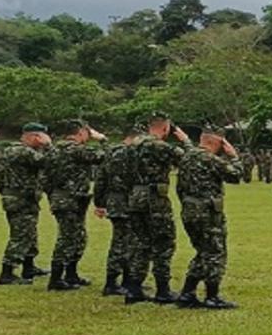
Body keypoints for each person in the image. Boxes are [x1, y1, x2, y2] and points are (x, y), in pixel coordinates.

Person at [175, 123, 244, 309]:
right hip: (207, 212)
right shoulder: (210, 159)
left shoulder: (187, 156)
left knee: (203, 252)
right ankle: (212, 296)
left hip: (189, 210)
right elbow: (236, 175)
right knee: (215, 253)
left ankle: (187, 293)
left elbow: (179, 188)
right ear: (216, 142)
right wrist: (234, 156)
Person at [125, 112, 191, 305]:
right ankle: (163, 290)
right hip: (154, 199)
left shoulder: (132, 146)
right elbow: (189, 160)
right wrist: (186, 141)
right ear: (165, 128)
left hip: (135, 197)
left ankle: (134, 289)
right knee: (163, 243)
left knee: (141, 244)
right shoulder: (159, 146)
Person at [43, 119, 107, 291]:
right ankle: (56, 279)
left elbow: (44, 179)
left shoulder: (53, 150)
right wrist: (102, 139)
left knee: (77, 237)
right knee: (68, 238)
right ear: (80, 132)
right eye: (87, 132)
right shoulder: (76, 150)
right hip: (71, 199)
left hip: (65, 199)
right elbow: (105, 157)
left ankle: (71, 275)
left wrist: (52, 198)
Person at [0, 123, 52, 285]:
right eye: (40, 137)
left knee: (30, 234)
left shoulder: (16, 151)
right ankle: (7, 273)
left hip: (23, 198)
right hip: (19, 199)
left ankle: (29, 267)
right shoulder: (20, 151)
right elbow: (48, 161)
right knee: (21, 236)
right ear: (34, 137)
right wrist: (48, 145)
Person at [92, 123, 141, 296]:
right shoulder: (133, 153)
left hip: (115, 200)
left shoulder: (111, 151)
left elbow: (100, 179)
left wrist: (99, 202)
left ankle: (126, 280)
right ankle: (113, 282)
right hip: (128, 201)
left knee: (125, 241)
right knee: (123, 243)